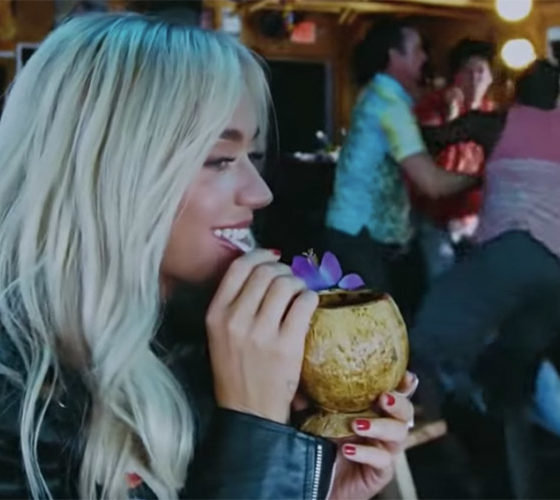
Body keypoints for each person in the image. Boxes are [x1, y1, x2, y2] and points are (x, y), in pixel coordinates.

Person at [0, 13, 415, 499]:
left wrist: (309, 483)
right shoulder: (18, 402)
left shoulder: (209, 350)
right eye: (220, 160)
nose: (260, 194)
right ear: (105, 173)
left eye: (253, 157)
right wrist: (255, 434)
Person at [414, 59, 560, 498]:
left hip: (511, 253)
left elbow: (432, 139)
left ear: (515, 91)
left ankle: (442, 458)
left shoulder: (495, 122)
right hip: (556, 275)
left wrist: (419, 108)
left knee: (425, 337)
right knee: (512, 383)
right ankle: (518, 481)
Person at [324, 18, 478, 324]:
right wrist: (484, 178)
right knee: (378, 333)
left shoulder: (377, 94)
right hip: (361, 236)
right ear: (395, 56)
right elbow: (432, 183)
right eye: (417, 49)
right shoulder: (390, 107)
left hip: (355, 232)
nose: (424, 57)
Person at [413, 39, 495, 280]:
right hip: (435, 215)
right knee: (442, 279)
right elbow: (426, 154)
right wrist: (451, 115)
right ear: (456, 77)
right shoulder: (432, 106)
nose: (475, 78)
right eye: (468, 71)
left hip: (475, 216)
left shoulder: (492, 114)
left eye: (481, 71)